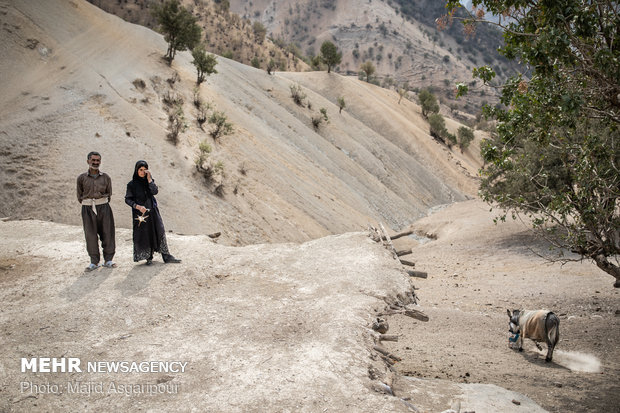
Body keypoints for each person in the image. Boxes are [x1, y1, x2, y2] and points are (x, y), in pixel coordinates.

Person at [124, 160, 181, 265]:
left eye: (144, 170)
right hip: (140, 214)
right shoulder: (131, 185)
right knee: (145, 233)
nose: (142, 172)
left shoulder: (149, 181)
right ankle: (148, 257)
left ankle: (166, 255)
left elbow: (155, 192)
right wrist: (137, 206)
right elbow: (128, 199)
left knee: (159, 230)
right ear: (136, 170)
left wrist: (149, 180)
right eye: (140, 170)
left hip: (153, 211)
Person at [77, 151, 116, 271]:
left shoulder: (106, 177)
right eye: (93, 160)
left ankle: (108, 260)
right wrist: (89, 204)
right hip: (87, 208)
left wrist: (100, 204)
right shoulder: (81, 178)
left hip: (103, 207)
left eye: (97, 160)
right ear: (88, 161)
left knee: (107, 233)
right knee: (90, 235)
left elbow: (109, 193)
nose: (95, 163)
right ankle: (94, 262)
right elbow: (79, 195)